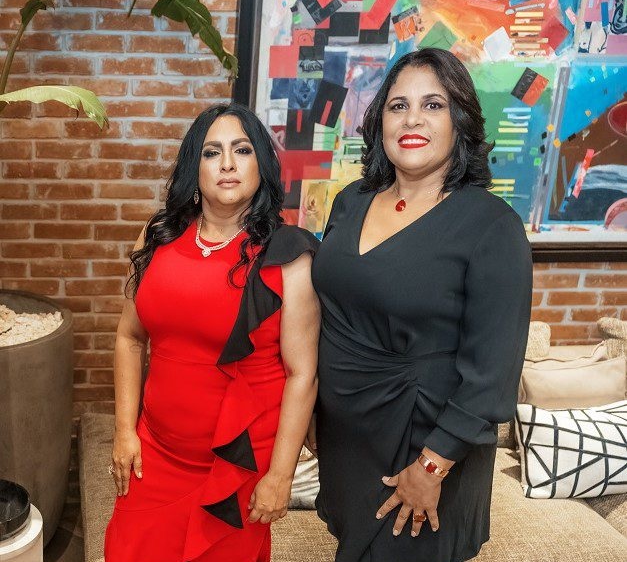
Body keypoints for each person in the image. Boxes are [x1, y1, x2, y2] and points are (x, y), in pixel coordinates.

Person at [309, 48, 533, 562]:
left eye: (433, 105)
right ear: (379, 121)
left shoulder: (492, 227)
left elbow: (493, 372)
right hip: (348, 442)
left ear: (460, 121)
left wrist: (432, 465)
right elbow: (329, 315)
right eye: (398, 106)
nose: (412, 119)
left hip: (427, 448)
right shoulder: (350, 201)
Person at [104, 103, 320, 562]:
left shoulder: (287, 255)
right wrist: (124, 430)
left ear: (261, 164)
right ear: (194, 166)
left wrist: (280, 476)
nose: (227, 164)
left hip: (237, 464)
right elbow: (129, 337)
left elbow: (302, 374)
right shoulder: (157, 237)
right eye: (211, 152)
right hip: (155, 452)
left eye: (242, 150)